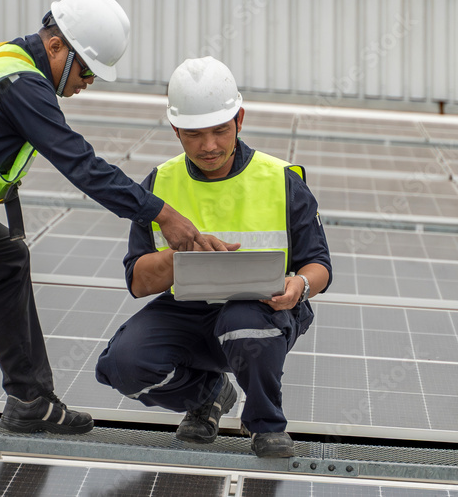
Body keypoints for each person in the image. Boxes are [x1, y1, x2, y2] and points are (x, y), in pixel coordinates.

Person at [0, 0, 213, 454]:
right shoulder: (24, 84)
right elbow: (82, 165)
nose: (88, 81)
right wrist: (161, 212)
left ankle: (30, 398)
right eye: (87, 69)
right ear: (57, 48)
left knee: (7, 259)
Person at [94, 56, 332, 458]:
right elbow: (138, 281)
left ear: (239, 119)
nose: (209, 146)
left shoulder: (280, 180)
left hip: (261, 310)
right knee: (123, 366)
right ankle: (208, 395)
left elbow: (319, 265)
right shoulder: (159, 184)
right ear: (175, 130)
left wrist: (300, 286)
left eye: (220, 131)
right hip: (189, 309)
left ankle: (265, 425)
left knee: (242, 324)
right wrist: (178, 255)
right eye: (193, 134)